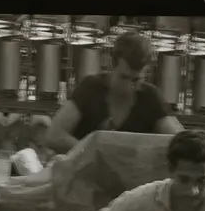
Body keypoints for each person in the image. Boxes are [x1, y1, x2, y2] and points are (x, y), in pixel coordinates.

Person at [45, 31, 183, 154]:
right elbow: (54, 136)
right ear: (111, 65)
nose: (128, 87)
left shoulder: (150, 96)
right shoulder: (91, 88)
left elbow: (182, 142)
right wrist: (92, 152)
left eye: (136, 80)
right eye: (123, 77)